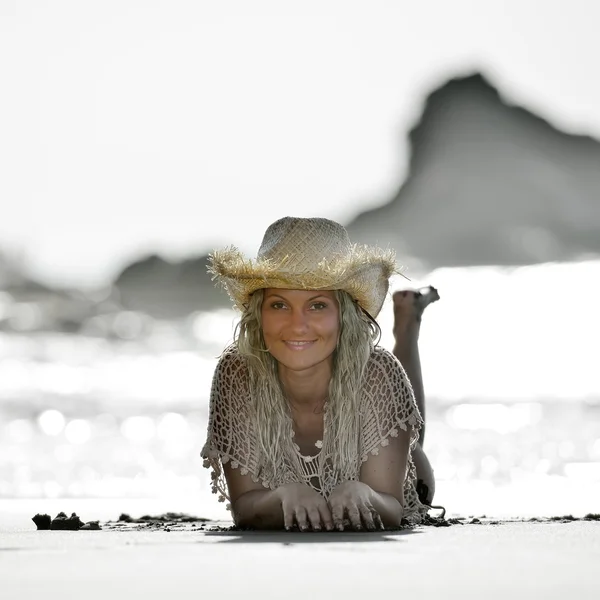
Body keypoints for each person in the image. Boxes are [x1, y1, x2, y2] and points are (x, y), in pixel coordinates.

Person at [201, 216, 437, 531]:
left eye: (316, 306)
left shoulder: (378, 370)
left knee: (411, 439)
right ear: (258, 313)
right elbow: (245, 508)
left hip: (402, 479)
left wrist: (365, 494)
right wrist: (281, 497)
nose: (297, 325)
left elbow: (391, 508)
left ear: (344, 314)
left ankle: (408, 324)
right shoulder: (238, 371)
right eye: (279, 306)